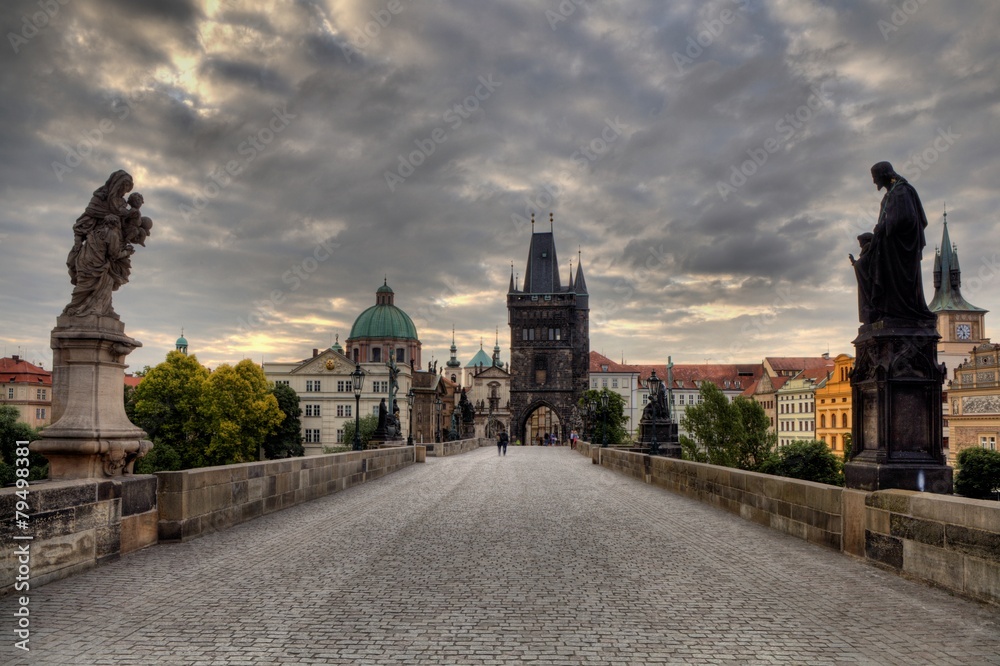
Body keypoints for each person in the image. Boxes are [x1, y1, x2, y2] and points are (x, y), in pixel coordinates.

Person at [854, 161, 934, 324]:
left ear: (883, 175)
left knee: (893, 279)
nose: (874, 181)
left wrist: (884, 226)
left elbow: (908, 218)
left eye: (874, 177)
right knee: (862, 265)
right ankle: (879, 310)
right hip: (888, 246)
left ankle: (896, 311)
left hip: (900, 249)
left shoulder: (902, 191)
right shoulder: (891, 194)